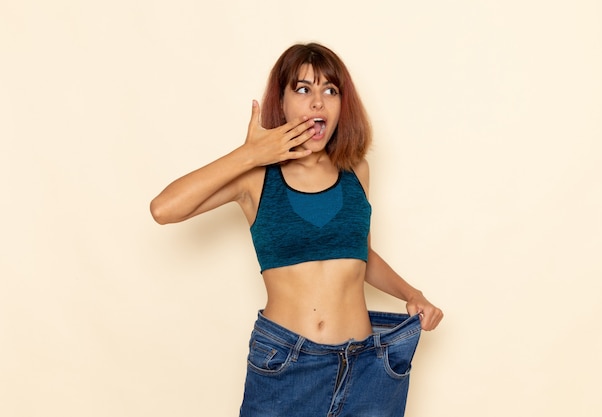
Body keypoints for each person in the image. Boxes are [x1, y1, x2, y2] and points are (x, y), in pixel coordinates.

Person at [150, 42, 443, 417]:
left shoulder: (356, 172)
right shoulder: (256, 177)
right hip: (286, 365)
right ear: (283, 102)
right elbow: (164, 209)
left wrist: (411, 292)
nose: (317, 103)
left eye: (330, 91)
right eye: (303, 89)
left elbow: (360, 256)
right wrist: (250, 153)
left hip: (368, 366)